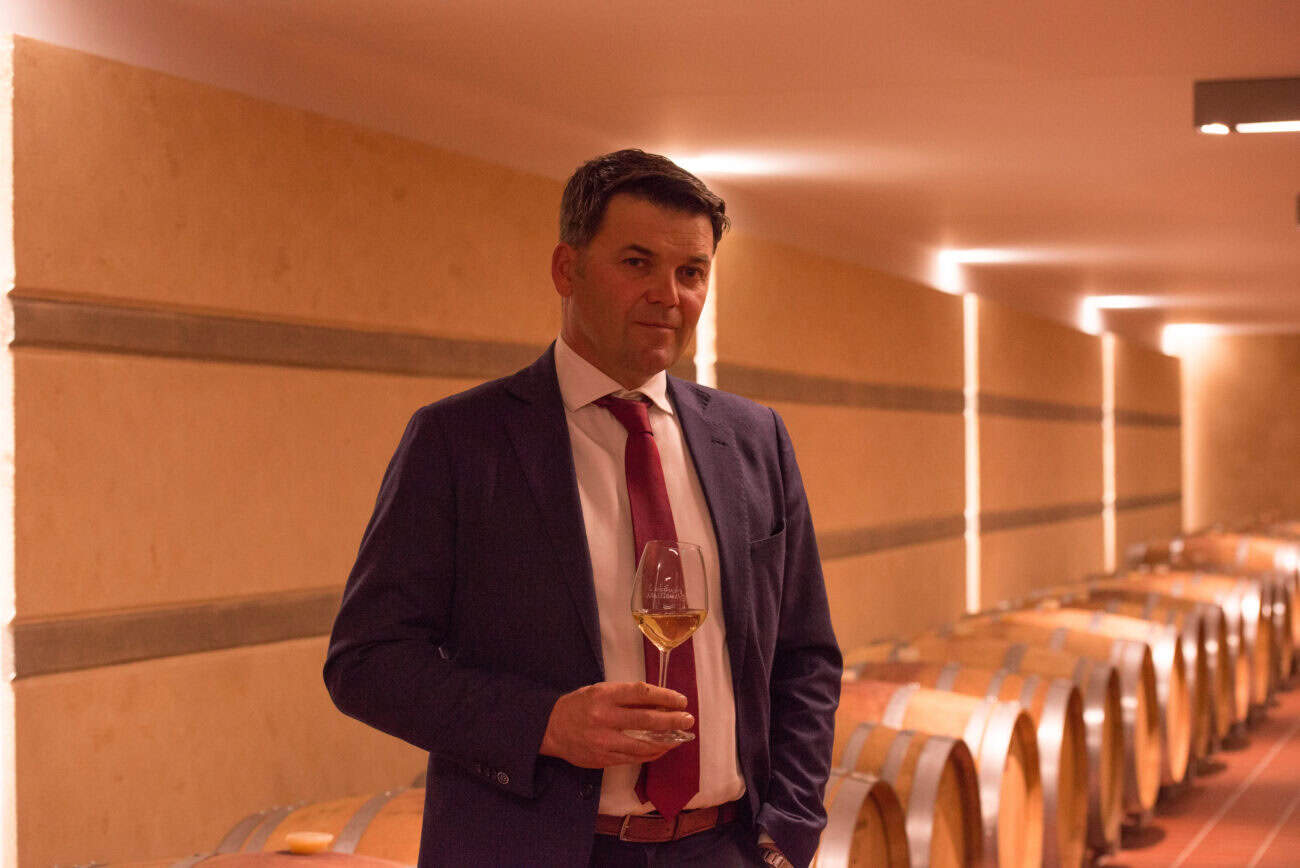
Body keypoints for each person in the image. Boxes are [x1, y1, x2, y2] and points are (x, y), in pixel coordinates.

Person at [324, 149, 841, 867]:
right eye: (637, 262)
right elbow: (367, 662)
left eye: (692, 272)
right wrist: (546, 723)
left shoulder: (755, 438)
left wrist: (791, 828)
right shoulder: (459, 440)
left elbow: (806, 655)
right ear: (567, 269)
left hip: (727, 849)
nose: (668, 294)